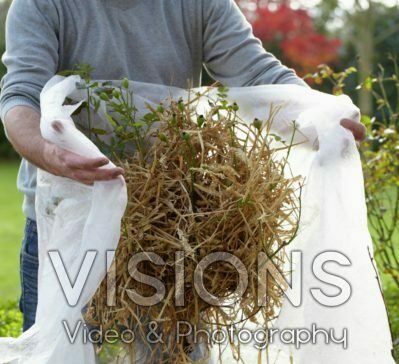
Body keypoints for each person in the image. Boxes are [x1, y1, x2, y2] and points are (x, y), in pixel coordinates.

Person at [0, 0, 365, 332]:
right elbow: (21, 94)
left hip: (167, 217)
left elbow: (255, 74)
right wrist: (52, 155)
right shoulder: (41, 5)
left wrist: (320, 116)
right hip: (69, 218)